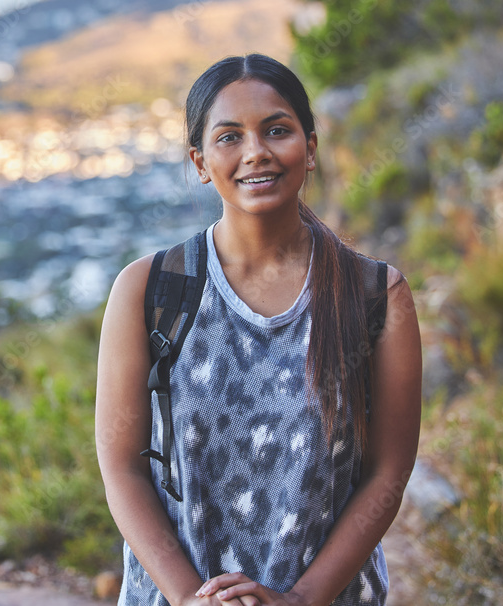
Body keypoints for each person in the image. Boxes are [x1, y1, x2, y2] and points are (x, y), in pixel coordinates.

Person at [95, 52, 422, 606]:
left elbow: (387, 474)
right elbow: (122, 468)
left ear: (310, 148)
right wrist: (189, 597)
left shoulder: (376, 296)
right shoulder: (150, 290)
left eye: (277, 130)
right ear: (200, 162)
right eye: (229, 137)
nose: (256, 153)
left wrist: (299, 599)